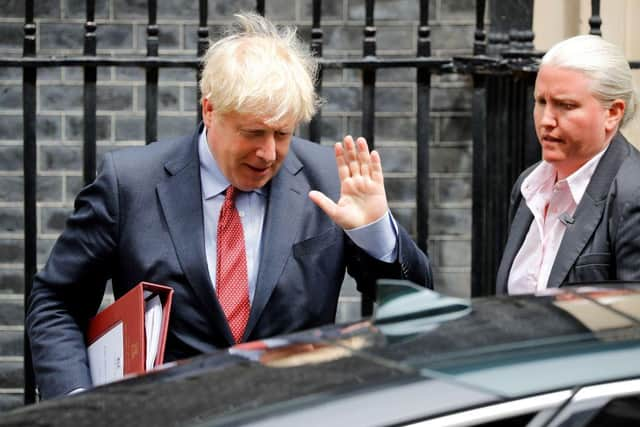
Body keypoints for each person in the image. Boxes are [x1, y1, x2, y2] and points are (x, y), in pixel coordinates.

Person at [26, 12, 432, 399]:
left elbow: (416, 307)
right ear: (209, 110)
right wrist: (78, 402)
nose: (269, 153)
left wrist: (375, 232)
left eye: (283, 133)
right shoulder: (129, 183)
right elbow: (56, 302)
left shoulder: (329, 179)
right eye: (253, 132)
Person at [496, 35, 640, 295]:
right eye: (541, 102)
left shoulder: (633, 194)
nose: (546, 120)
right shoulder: (529, 185)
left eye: (566, 105)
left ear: (613, 113)